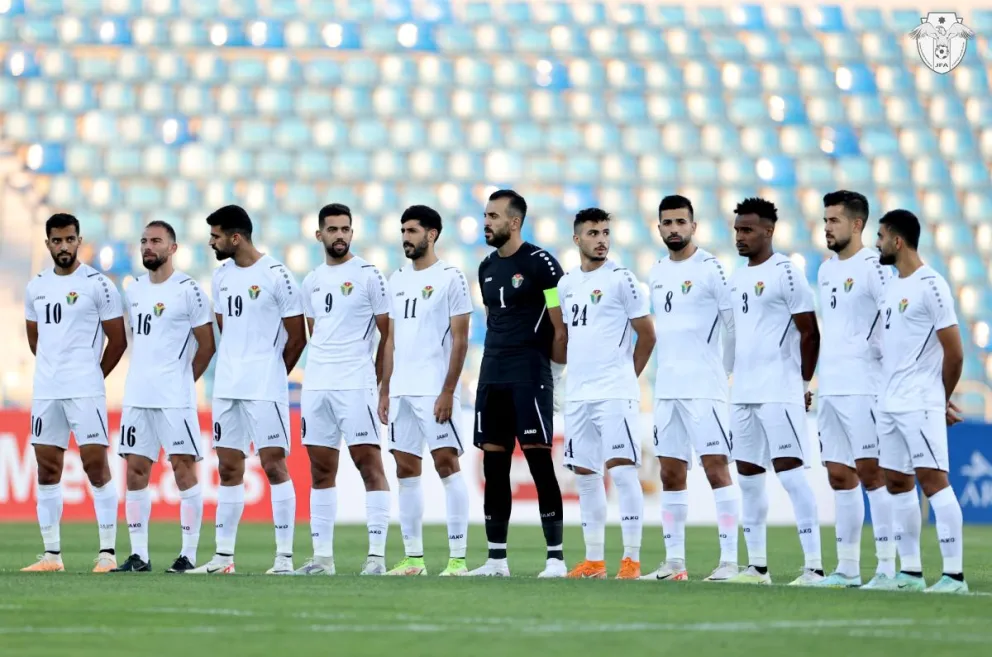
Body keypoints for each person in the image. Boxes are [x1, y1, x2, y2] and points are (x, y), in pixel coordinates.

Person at [188, 205, 306, 575]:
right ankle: (223, 558)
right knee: (227, 466)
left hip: (265, 387)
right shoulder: (221, 277)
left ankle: (284, 558)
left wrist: (272, 373)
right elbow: (226, 328)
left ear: (235, 237)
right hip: (227, 385)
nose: (212, 243)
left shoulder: (277, 275)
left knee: (273, 465)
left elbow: (297, 337)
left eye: (216, 236)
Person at [724, 197, 825, 586]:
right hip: (745, 391)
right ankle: (757, 568)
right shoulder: (737, 277)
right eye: (737, 229)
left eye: (747, 229)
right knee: (748, 477)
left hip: (780, 390)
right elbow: (734, 335)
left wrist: (801, 384)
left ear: (768, 231)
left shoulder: (787, 272)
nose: (740, 236)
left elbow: (810, 331)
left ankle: (814, 567)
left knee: (791, 474)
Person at [469, 189, 568, 578]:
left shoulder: (543, 264)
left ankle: (556, 559)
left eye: (493, 216)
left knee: (540, 462)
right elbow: (496, 321)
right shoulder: (485, 267)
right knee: (494, 466)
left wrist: (556, 377)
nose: (486, 223)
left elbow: (561, 326)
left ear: (514, 222)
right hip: (492, 373)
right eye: (485, 216)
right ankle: (496, 560)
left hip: (530, 372)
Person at [642, 195, 740, 582]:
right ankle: (675, 562)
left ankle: (730, 561)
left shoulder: (711, 269)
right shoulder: (657, 271)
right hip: (668, 388)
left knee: (717, 469)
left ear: (693, 227)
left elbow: (733, 325)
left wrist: (725, 371)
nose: (674, 229)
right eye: (667, 223)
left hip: (705, 388)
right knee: (670, 473)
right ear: (660, 227)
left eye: (681, 222)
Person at [22, 213, 126, 573]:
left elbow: (119, 338)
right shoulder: (36, 287)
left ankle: (107, 554)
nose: (63, 246)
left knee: (95, 465)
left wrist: (92, 375)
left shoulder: (98, 284)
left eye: (69, 239)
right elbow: (35, 338)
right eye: (56, 240)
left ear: (79, 241)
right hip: (47, 390)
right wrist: (56, 369)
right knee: (47, 468)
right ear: (48, 243)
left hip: (85, 390)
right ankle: (52, 556)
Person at [112, 221, 215, 573]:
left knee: (183, 469)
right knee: (136, 471)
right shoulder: (135, 289)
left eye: (156, 241)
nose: (147, 247)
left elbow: (207, 344)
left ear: (173, 248)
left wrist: (184, 380)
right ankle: (139, 554)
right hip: (138, 395)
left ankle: (188, 554)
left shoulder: (189, 290)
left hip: (175, 399)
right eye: (143, 241)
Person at [873, 209, 967, 594]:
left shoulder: (932, 285)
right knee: (897, 482)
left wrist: (938, 398)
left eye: (880, 236)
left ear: (897, 241)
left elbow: (955, 353)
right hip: (890, 402)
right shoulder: (892, 286)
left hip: (920, 402)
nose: (876, 244)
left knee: (933, 481)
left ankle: (954, 576)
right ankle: (910, 572)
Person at [558, 208, 655, 580]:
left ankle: (631, 561)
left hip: (615, 394)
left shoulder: (622, 279)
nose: (601, 239)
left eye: (605, 232)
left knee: (623, 471)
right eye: (593, 233)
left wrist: (625, 379)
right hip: (579, 395)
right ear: (577, 239)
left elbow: (647, 335)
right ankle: (594, 562)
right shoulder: (567, 285)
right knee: (585, 474)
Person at [377, 205, 473, 577]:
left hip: (435, 390)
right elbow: (390, 341)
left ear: (431, 234)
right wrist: (385, 389)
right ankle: (413, 559)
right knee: (405, 469)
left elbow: (461, 339)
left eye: (413, 230)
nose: (406, 237)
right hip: (401, 390)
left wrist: (448, 390)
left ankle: (458, 559)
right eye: (403, 230)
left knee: (447, 465)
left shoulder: (451, 277)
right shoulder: (396, 278)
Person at [296, 203, 391, 576]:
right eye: (332, 229)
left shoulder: (369, 275)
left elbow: (389, 334)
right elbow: (314, 332)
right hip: (318, 383)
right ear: (319, 234)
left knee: (369, 464)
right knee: (321, 470)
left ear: (352, 233)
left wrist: (380, 385)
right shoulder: (311, 281)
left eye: (345, 229)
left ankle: (377, 558)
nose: (340, 235)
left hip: (356, 383)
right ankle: (322, 559)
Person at [813, 191, 895, 589]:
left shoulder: (875, 267)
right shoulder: (826, 270)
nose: (827, 226)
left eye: (834, 220)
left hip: (865, 387)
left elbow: (893, 322)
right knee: (839, 476)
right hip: (831, 387)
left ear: (857, 224)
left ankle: (887, 567)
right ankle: (847, 568)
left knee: (872, 473)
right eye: (825, 219)